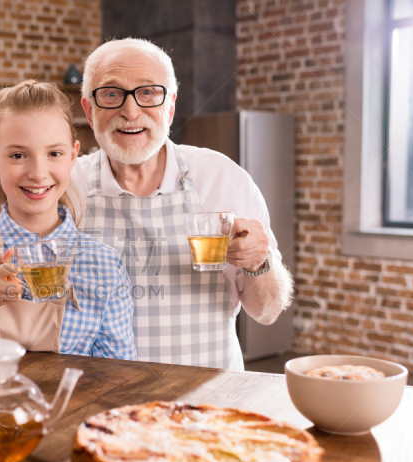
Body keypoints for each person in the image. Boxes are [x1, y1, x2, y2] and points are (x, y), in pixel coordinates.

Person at [71, 38, 294, 370]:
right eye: (111, 94)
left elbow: (268, 311)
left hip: (210, 401)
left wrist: (259, 262)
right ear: (89, 110)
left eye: (148, 93)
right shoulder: (66, 187)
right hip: (99, 403)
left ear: (170, 107)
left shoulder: (224, 178)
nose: (130, 111)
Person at [0, 81, 137, 367]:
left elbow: (120, 377)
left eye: (54, 154)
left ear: (73, 155)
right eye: (18, 155)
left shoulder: (103, 263)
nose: (38, 173)